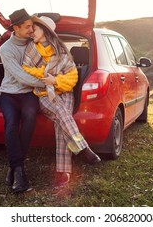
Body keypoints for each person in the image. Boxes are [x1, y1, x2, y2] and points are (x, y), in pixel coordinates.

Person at [22, 15, 101, 188]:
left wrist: (55, 81)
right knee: (61, 111)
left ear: (45, 30)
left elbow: (72, 78)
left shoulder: (62, 52)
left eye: (34, 29)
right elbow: (26, 70)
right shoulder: (30, 50)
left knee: (61, 120)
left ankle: (63, 171)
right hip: (43, 93)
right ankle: (82, 149)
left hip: (64, 92)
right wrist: (45, 77)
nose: (31, 32)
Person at [0, 8, 46, 193]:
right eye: (27, 27)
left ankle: (14, 167)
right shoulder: (5, 49)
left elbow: (44, 63)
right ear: (16, 28)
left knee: (30, 118)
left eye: (32, 26)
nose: (31, 30)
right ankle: (19, 170)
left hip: (28, 93)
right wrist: (46, 83)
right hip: (9, 93)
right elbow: (20, 76)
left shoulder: (32, 43)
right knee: (10, 124)